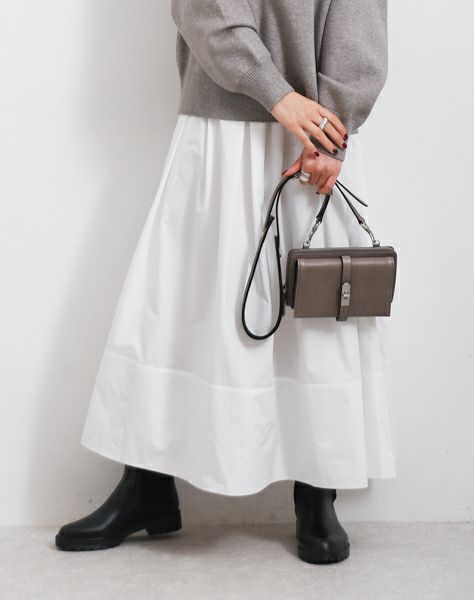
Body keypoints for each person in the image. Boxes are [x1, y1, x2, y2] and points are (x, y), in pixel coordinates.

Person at [55, 0, 395, 564]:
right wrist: (277, 94)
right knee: (177, 306)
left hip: (314, 141)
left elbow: (359, 25)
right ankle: (147, 486)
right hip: (218, 127)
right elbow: (202, 8)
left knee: (313, 313)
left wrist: (332, 128)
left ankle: (317, 493)